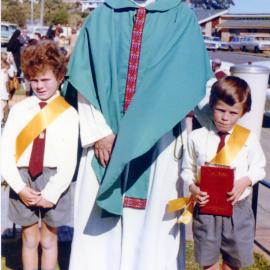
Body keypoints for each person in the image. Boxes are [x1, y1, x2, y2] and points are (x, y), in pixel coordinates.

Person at [63, 0, 212, 269]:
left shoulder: (180, 18)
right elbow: (84, 78)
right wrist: (98, 133)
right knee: (99, 231)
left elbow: (195, 78)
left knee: (153, 229)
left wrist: (224, 113)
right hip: (104, 142)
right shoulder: (103, 16)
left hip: (160, 143)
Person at [0, 41, 79, 270]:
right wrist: (20, 188)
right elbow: (5, 153)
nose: (40, 86)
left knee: (48, 239)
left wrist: (53, 193)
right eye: (34, 80)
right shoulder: (18, 111)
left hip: (55, 179)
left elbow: (68, 160)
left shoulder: (68, 114)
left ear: (60, 77)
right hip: (23, 178)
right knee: (29, 238)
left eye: (45, 80)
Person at [181, 76, 266, 270]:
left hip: (238, 208)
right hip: (206, 209)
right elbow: (187, 170)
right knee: (208, 262)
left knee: (232, 264)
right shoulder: (196, 138)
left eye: (233, 112)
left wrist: (246, 181)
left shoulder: (247, 139)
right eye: (221, 110)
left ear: (243, 112)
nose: (225, 117)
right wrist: (194, 188)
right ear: (211, 105)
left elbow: (259, 167)